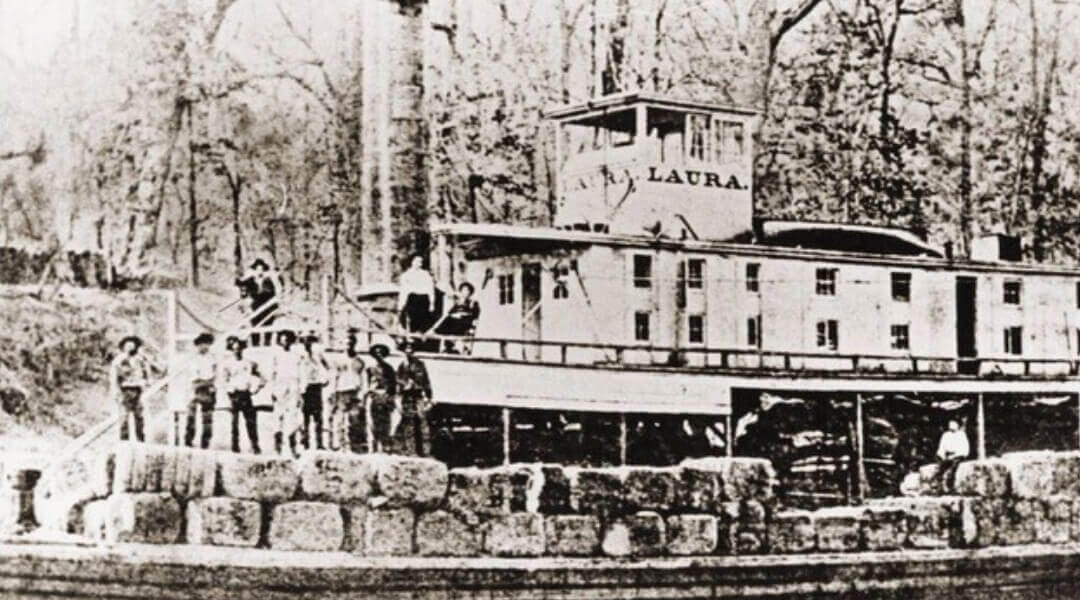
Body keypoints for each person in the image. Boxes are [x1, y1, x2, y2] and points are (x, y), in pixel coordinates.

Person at [221, 336, 266, 454]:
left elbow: (263, 377)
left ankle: (255, 446)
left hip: (246, 394)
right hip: (234, 395)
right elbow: (223, 381)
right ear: (231, 349)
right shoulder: (227, 364)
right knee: (234, 423)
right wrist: (229, 390)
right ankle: (235, 446)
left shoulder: (249, 363)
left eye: (239, 348)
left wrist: (256, 388)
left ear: (243, 349)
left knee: (251, 422)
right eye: (234, 349)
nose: (237, 351)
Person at [395, 339, 433, 456]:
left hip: (418, 396)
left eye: (411, 348)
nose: (409, 351)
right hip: (407, 397)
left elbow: (426, 382)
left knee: (422, 423)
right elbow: (397, 384)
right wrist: (399, 398)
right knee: (408, 424)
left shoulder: (420, 365)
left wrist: (429, 398)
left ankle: (425, 452)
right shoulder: (401, 367)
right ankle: (411, 451)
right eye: (406, 348)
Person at [109, 335, 150, 441]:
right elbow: (114, 377)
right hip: (125, 391)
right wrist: (115, 391)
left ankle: (141, 440)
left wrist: (145, 382)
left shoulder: (140, 360)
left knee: (139, 417)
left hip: (138, 391)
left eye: (132, 345)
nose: (130, 348)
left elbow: (147, 374)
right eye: (127, 346)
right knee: (124, 417)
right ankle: (124, 441)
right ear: (123, 347)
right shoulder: (119, 360)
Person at [270, 329, 303, 457]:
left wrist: (300, 391)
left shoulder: (296, 356)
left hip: (293, 386)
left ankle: (293, 449)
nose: (286, 342)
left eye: (288, 340)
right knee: (278, 418)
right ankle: (277, 450)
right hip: (279, 386)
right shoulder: (276, 355)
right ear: (280, 341)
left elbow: (301, 374)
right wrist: (272, 390)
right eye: (283, 340)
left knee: (293, 419)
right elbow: (272, 373)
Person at [332, 330, 365, 452]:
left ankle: (352, 445)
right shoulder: (339, 360)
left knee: (353, 420)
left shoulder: (359, 361)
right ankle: (341, 445)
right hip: (342, 391)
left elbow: (361, 378)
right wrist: (334, 392)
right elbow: (335, 376)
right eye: (346, 343)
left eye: (351, 343)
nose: (348, 346)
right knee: (340, 419)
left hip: (354, 392)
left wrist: (361, 393)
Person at [184, 332, 218, 449]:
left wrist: (210, 384)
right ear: (198, 345)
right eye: (202, 344)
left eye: (207, 344)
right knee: (191, 416)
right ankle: (188, 440)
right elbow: (193, 375)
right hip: (195, 387)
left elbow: (214, 374)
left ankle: (205, 442)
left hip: (208, 388)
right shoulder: (193, 358)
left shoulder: (212, 358)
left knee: (207, 418)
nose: (205, 346)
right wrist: (198, 384)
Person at [237, 258, 280, 347]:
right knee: (255, 326)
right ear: (254, 270)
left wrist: (275, 305)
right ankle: (255, 345)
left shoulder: (268, 281)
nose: (259, 272)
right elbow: (243, 292)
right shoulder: (250, 281)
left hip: (267, 307)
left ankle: (267, 344)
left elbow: (274, 293)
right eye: (257, 269)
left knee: (268, 325)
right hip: (255, 307)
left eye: (261, 269)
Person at [298, 333, 330, 450]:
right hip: (304, 388)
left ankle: (319, 443)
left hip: (316, 387)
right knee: (304, 417)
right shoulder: (299, 355)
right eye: (305, 341)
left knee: (318, 417)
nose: (307, 343)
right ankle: (305, 442)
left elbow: (327, 367)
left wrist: (325, 379)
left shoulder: (318, 355)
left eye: (310, 341)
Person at [366, 343, 397, 452]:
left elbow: (393, 385)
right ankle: (372, 448)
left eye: (381, 353)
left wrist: (390, 398)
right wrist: (368, 394)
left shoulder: (389, 368)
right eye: (376, 353)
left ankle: (384, 448)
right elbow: (365, 383)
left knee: (385, 422)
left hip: (384, 396)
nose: (378, 355)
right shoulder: (369, 368)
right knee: (372, 423)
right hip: (373, 396)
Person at [435, 282, 480, 353]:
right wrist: (455, 314)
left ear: (470, 293)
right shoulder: (457, 303)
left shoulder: (473, 303)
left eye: (467, 291)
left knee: (453, 321)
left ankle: (449, 341)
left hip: (465, 322)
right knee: (448, 319)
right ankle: (448, 344)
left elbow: (475, 316)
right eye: (463, 290)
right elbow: (450, 313)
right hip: (454, 321)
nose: (465, 293)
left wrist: (463, 315)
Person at [397, 255, 435, 334]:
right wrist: (401, 305)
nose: (419, 264)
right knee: (412, 322)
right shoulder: (406, 275)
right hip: (412, 300)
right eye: (417, 261)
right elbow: (404, 291)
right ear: (412, 262)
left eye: (421, 262)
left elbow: (430, 290)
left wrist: (432, 303)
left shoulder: (426, 275)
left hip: (424, 300)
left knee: (423, 322)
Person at [934, 419, 970, 493]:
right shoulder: (946, 435)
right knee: (940, 468)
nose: (951, 425)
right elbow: (941, 447)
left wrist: (955, 456)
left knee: (953, 468)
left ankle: (951, 486)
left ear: (957, 425)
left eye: (953, 423)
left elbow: (964, 449)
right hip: (947, 456)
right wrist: (942, 455)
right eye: (950, 424)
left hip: (958, 456)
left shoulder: (961, 435)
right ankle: (939, 487)